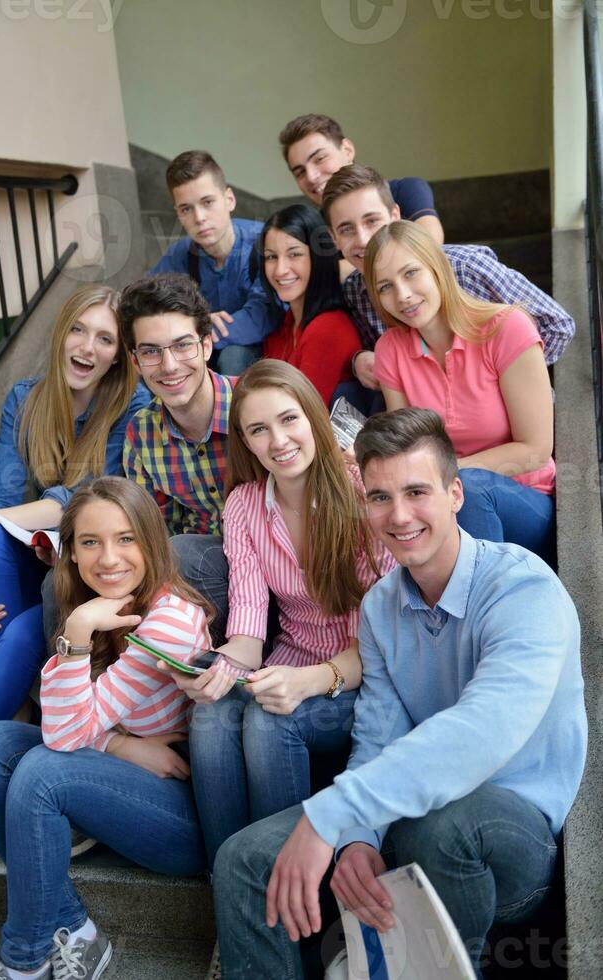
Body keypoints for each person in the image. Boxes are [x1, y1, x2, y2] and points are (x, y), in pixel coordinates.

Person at [212, 408, 586, 980]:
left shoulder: (524, 589)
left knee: (437, 828)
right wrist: (359, 838)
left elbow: (479, 734)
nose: (400, 515)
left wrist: (333, 816)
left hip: (512, 835)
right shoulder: (381, 606)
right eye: (380, 497)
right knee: (243, 859)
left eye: (417, 492)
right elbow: (378, 734)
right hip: (413, 811)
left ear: (456, 493)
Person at [0, 476, 212, 980]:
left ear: (151, 541)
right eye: (90, 542)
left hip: (182, 820)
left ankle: (22, 961)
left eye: (126, 539)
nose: (109, 559)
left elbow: (63, 737)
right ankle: (74, 928)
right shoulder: (93, 611)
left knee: (42, 773)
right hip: (122, 782)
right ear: (69, 553)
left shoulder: (168, 621)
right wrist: (122, 746)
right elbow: (65, 727)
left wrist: (75, 639)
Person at [167, 360, 395, 870]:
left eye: (289, 419)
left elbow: (387, 640)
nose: (279, 440)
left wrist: (313, 679)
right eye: (258, 429)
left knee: (270, 721)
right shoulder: (245, 506)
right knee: (211, 712)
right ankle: (227, 882)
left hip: (361, 676)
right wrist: (214, 669)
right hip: (288, 662)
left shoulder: (364, 494)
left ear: (313, 418)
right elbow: (248, 631)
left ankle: (278, 884)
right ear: (246, 442)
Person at [0, 284, 150, 800]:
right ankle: (19, 698)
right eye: (79, 330)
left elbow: (83, 499)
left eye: (105, 339)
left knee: (18, 629)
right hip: (41, 551)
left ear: (119, 355)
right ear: (61, 332)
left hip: (94, 561)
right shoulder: (25, 397)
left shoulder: (132, 405)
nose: (87, 348)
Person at [365, 219, 556, 564]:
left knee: (472, 488)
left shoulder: (507, 328)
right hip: (445, 502)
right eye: (386, 287)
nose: (403, 295)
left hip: (527, 499)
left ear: (437, 268)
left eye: (411, 273)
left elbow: (536, 451)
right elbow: (408, 450)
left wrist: (449, 475)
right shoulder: (389, 351)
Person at [321, 164, 575, 407]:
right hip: (435, 430)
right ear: (334, 239)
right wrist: (357, 360)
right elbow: (378, 352)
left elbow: (557, 324)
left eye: (372, 221)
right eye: (346, 229)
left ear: (395, 216)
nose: (364, 239)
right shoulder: (355, 291)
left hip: (514, 419)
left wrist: (506, 378)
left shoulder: (464, 266)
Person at [119, 273, 236, 639]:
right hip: (198, 579)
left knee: (183, 554)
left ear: (206, 345)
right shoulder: (142, 434)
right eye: (151, 351)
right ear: (136, 362)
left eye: (182, 346)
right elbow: (155, 531)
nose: (169, 366)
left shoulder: (254, 405)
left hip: (276, 568)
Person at [151, 149, 279, 375]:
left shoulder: (264, 243)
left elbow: (262, 314)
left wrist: (197, 331)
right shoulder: (181, 255)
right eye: (186, 209)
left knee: (234, 355)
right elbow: (148, 301)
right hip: (200, 347)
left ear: (229, 199)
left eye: (207, 202)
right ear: (178, 214)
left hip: (260, 349)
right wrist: (195, 325)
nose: (199, 218)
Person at [278, 113, 444, 243]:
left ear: (347, 150)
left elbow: (429, 244)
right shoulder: (309, 228)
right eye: (300, 172)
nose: (312, 177)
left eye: (320, 158)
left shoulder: (405, 190)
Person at [260, 204, 361, 406]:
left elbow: (303, 414)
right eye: (271, 256)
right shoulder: (285, 325)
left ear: (318, 258)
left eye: (294, 254)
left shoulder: (328, 328)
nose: (280, 270)